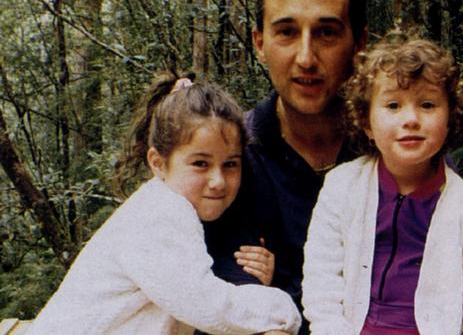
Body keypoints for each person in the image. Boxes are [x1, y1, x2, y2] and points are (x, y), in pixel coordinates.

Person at [27, 73, 301, 335]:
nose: (218, 180)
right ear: (158, 163)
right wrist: (280, 307)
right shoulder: (160, 215)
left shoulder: (170, 207)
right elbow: (206, 305)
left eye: (230, 164)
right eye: (200, 164)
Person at [301, 34, 463, 334]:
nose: (411, 119)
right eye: (393, 105)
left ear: (450, 118)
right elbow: (322, 281)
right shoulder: (343, 187)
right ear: (366, 122)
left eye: (427, 104)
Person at [202, 0, 367, 332]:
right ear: (260, 42)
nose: (306, 58)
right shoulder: (228, 159)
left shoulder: (398, 155)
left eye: (326, 32)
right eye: (287, 32)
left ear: (359, 43)